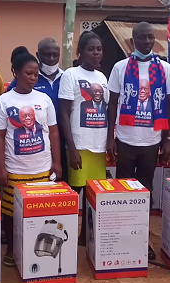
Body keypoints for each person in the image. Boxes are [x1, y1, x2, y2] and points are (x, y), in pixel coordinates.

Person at [107, 22, 170, 260]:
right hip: (126, 139)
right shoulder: (120, 67)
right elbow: (113, 103)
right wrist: (110, 138)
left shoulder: (164, 68)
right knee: (123, 190)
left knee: (146, 191)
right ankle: (121, 237)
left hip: (152, 140)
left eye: (150, 38)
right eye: (142, 38)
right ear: (132, 41)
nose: (147, 42)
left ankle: (141, 240)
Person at [0, 47, 62, 267]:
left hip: (42, 169)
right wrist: (1, 168)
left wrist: (57, 163)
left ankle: (33, 249)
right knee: (11, 214)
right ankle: (11, 249)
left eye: (35, 73)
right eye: (28, 73)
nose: (33, 77)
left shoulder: (44, 100)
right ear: (15, 72)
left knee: (39, 214)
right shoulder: (3, 102)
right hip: (15, 170)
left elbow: (53, 132)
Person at [58, 31, 108, 246]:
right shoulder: (70, 74)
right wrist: (72, 147)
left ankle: (85, 237)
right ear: (81, 52)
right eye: (91, 49)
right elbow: (64, 112)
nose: (95, 53)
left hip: (99, 146)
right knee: (73, 193)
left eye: (98, 49)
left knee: (93, 194)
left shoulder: (102, 77)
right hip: (80, 144)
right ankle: (63, 236)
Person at [7, 38, 68, 180]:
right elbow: (13, 102)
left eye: (55, 54)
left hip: (64, 136)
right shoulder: (27, 77)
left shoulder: (67, 77)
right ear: (38, 55)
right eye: (47, 55)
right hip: (37, 137)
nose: (51, 59)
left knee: (61, 179)